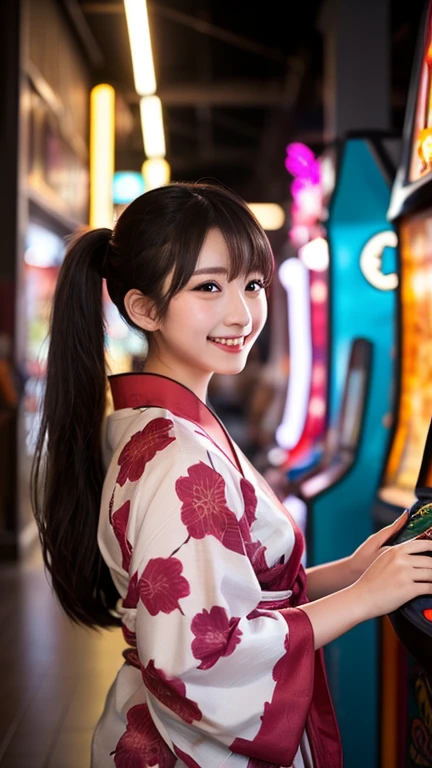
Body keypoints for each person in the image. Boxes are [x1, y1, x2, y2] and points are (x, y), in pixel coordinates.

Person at [31, 181, 432, 768]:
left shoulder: (160, 425)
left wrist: (349, 573)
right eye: (209, 287)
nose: (241, 313)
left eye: (252, 284)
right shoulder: (178, 457)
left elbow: (232, 594)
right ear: (144, 309)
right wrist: (367, 597)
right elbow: (203, 659)